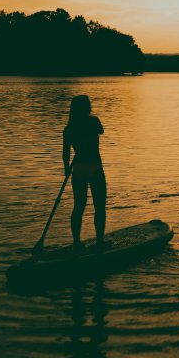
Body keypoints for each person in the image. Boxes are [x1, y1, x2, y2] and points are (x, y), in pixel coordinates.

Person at [64, 95, 107, 249]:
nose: (91, 106)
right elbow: (101, 131)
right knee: (99, 205)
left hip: (79, 169)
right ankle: (100, 241)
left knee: (79, 206)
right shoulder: (93, 121)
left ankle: (76, 242)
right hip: (95, 167)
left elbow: (66, 152)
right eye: (89, 104)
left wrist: (66, 168)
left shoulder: (69, 128)